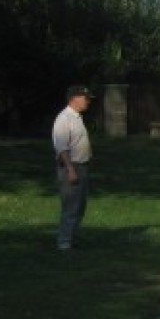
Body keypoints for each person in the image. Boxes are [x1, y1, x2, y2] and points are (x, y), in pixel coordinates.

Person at [53, 84, 94, 251]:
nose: (88, 102)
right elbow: (61, 147)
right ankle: (64, 242)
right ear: (74, 99)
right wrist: (70, 170)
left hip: (82, 166)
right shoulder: (64, 119)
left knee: (80, 205)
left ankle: (72, 237)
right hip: (71, 166)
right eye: (85, 98)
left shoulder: (77, 117)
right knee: (71, 205)